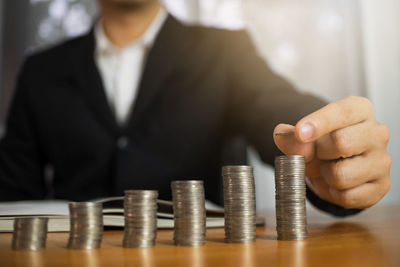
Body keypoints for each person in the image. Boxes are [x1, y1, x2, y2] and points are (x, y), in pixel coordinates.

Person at [0, 0, 391, 217]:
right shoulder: (41, 71)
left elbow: (275, 106)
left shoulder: (225, 51)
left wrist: (332, 142)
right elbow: (13, 190)